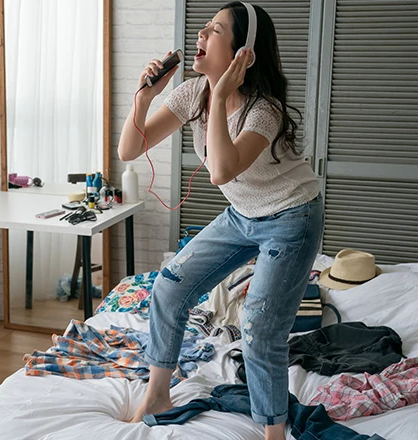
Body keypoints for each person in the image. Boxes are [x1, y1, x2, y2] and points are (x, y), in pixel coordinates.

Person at [117, 2, 323, 439]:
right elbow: (129, 150)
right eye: (204, 28)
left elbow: (221, 170)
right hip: (242, 214)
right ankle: (157, 394)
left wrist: (221, 89)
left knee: (259, 326)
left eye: (214, 30)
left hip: (291, 216)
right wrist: (145, 96)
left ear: (242, 52)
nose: (201, 35)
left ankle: (272, 433)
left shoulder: (264, 111)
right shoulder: (193, 93)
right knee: (169, 287)